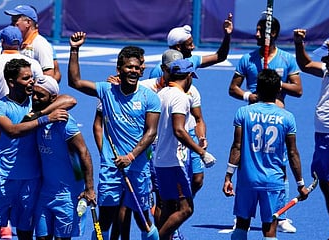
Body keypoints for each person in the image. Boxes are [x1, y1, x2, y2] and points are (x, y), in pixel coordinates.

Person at [68, 31, 161, 240]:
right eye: (129, 67)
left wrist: (130, 157)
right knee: (104, 222)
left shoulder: (150, 98)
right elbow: (75, 82)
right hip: (111, 169)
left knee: (145, 221)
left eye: (137, 67)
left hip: (137, 168)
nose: (133, 71)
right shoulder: (106, 91)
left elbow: (151, 132)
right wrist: (75, 49)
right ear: (119, 69)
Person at [228, 14, 302, 233]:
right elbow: (233, 88)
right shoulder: (248, 59)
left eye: (261, 31)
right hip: (253, 114)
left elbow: (298, 90)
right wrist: (249, 97)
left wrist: (275, 83)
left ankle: (282, 214)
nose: (257, 35)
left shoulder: (287, 60)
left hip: (278, 118)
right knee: (251, 160)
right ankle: (244, 213)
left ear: (274, 34)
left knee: (279, 164)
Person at [0, 58, 70, 239]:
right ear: (11, 82)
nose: (31, 81)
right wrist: (45, 118)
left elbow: (69, 99)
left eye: (31, 77)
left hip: (31, 181)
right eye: (26, 78)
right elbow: (12, 131)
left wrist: (37, 113)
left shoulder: (36, 103)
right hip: (3, 179)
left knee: (25, 233)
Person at [222, 69, 309, 240]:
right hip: (273, 181)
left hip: (247, 180)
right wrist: (300, 184)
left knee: (241, 224)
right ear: (279, 90)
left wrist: (228, 176)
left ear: (257, 90)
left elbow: (236, 147)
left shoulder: (243, 113)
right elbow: (292, 153)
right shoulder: (287, 118)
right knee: (269, 229)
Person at [153, 58, 215, 240]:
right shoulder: (181, 97)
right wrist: (202, 152)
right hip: (173, 162)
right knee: (186, 208)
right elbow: (179, 130)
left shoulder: (161, 93)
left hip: (160, 160)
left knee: (167, 206)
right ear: (188, 76)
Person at [32, 75, 96, 240]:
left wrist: (89, 188)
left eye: (40, 95)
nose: (35, 98)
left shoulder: (65, 122)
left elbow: (84, 153)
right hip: (45, 193)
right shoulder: (36, 118)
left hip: (67, 196)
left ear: (53, 98)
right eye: (34, 93)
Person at [293, 30, 329, 240]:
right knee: (325, 182)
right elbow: (306, 65)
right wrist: (299, 43)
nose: (325, 60)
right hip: (323, 134)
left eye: (328, 56)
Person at [4, 4, 61, 82]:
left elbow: (48, 79)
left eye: (14, 21)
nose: (11, 25)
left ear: (28, 22)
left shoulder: (41, 45)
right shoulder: (16, 42)